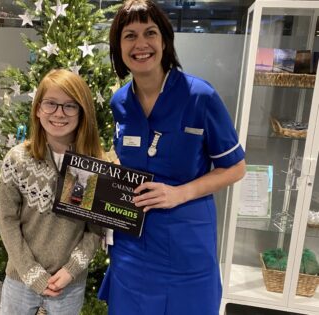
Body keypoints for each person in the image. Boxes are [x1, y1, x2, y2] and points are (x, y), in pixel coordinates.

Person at [97, 1, 246, 314]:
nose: (141, 44)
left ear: (164, 41)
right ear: (118, 47)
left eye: (150, 33)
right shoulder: (119, 103)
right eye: (130, 35)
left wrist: (179, 193)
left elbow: (235, 168)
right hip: (133, 247)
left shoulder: (199, 96)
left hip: (187, 246)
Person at [0, 69, 102, 315]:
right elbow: (7, 221)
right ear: (37, 109)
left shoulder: (94, 164)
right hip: (20, 279)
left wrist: (71, 271)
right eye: (51, 104)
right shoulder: (17, 160)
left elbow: (96, 229)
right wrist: (32, 273)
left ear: (82, 111)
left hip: (68, 284)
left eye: (69, 106)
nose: (59, 113)